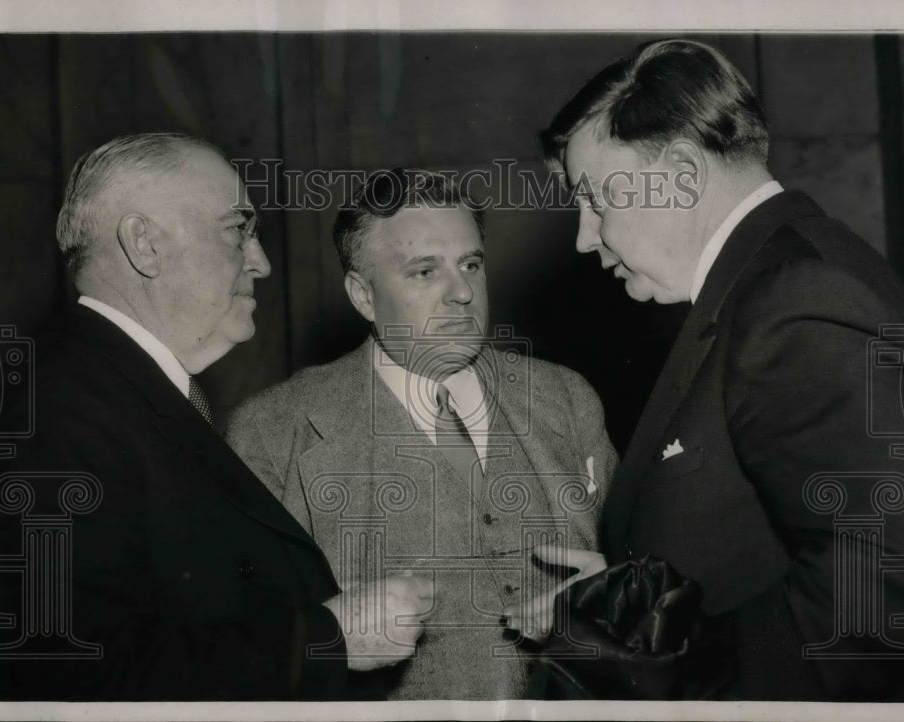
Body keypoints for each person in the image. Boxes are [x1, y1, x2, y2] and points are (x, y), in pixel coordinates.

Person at [507, 39, 904, 701]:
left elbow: (886, 588)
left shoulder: (794, 300)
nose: (586, 237)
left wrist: (679, 677)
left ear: (679, 173)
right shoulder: (770, 282)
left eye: (594, 200)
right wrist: (630, 602)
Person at [0, 133, 432, 701]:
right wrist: (331, 637)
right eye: (238, 229)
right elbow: (67, 679)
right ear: (143, 244)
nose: (263, 262)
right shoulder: (54, 408)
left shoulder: (120, 388)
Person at [226, 168, 618, 699]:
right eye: (424, 272)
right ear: (363, 296)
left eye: (471, 264)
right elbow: (250, 653)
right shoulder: (275, 433)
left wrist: (605, 599)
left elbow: (642, 588)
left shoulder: (566, 400)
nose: (461, 293)